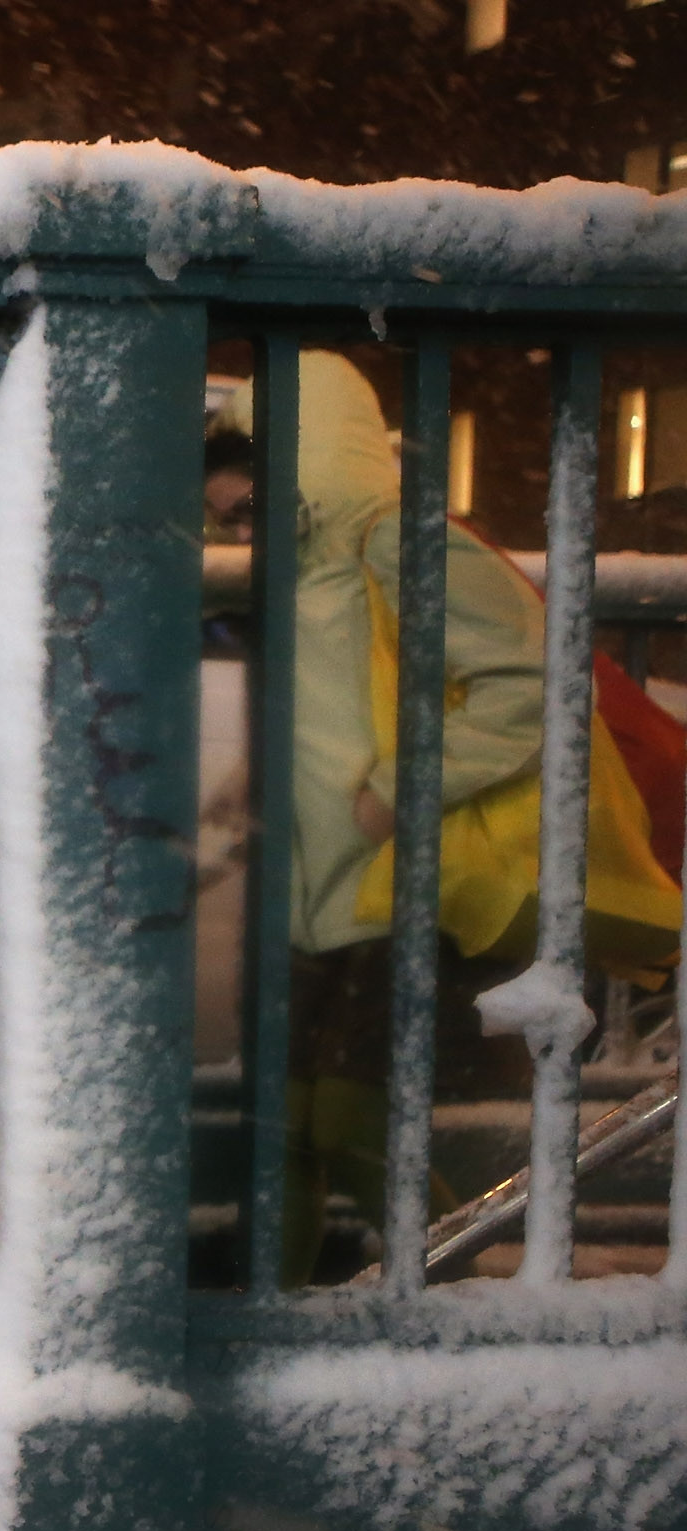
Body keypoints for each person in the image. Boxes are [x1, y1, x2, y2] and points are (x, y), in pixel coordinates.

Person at [210, 352, 680, 1283]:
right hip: (314, 895)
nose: (244, 533)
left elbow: (532, 683)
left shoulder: (399, 543)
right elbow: (340, 706)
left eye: (253, 505)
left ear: (311, 464)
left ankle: (463, 1288)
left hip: (405, 883)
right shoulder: (303, 575)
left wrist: (400, 785)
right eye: (228, 520)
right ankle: (270, 1315)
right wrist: (252, 774)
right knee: (282, 1132)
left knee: (347, 1125)